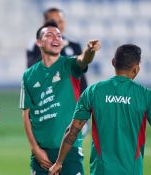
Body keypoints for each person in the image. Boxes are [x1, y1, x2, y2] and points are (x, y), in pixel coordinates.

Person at [49, 44, 151, 175]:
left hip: (100, 171)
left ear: (113, 62)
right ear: (136, 68)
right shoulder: (145, 96)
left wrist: (58, 163)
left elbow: (72, 131)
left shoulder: (93, 91)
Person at [19, 20, 100, 175]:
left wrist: (90, 51)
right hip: (41, 155)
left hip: (70, 151)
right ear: (38, 42)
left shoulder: (69, 65)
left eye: (59, 36)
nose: (56, 38)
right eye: (49, 35)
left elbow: (84, 60)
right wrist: (35, 148)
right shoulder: (28, 75)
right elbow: (26, 114)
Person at [27, 8, 90, 137]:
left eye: (61, 21)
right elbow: (31, 70)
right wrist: (51, 49)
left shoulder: (73, 44)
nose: (58, 25)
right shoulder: (35, 45)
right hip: (47, 105)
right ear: (44, 23)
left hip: (72, 105)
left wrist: (86, 101)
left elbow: (81, 75)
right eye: (54, 22)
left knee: (72, 145)